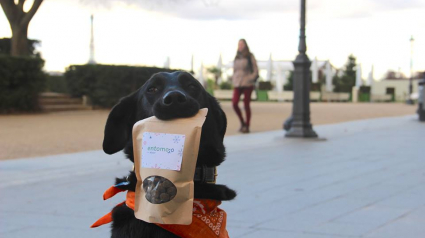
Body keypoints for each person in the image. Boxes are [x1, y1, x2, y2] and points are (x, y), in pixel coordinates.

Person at [231, 39, 258, 133]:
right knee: (234, 103)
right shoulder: (236, 57)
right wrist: (233, 78)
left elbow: (255, 69)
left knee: (246, 105)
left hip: (247, 82)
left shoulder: (250, 56)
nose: (240, 46)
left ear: (245, 45)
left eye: (241, 44)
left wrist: (251, 78)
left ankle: (247, 125)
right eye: (239, 44)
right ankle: (242, 122)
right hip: (237, 82)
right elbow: (234, 70)